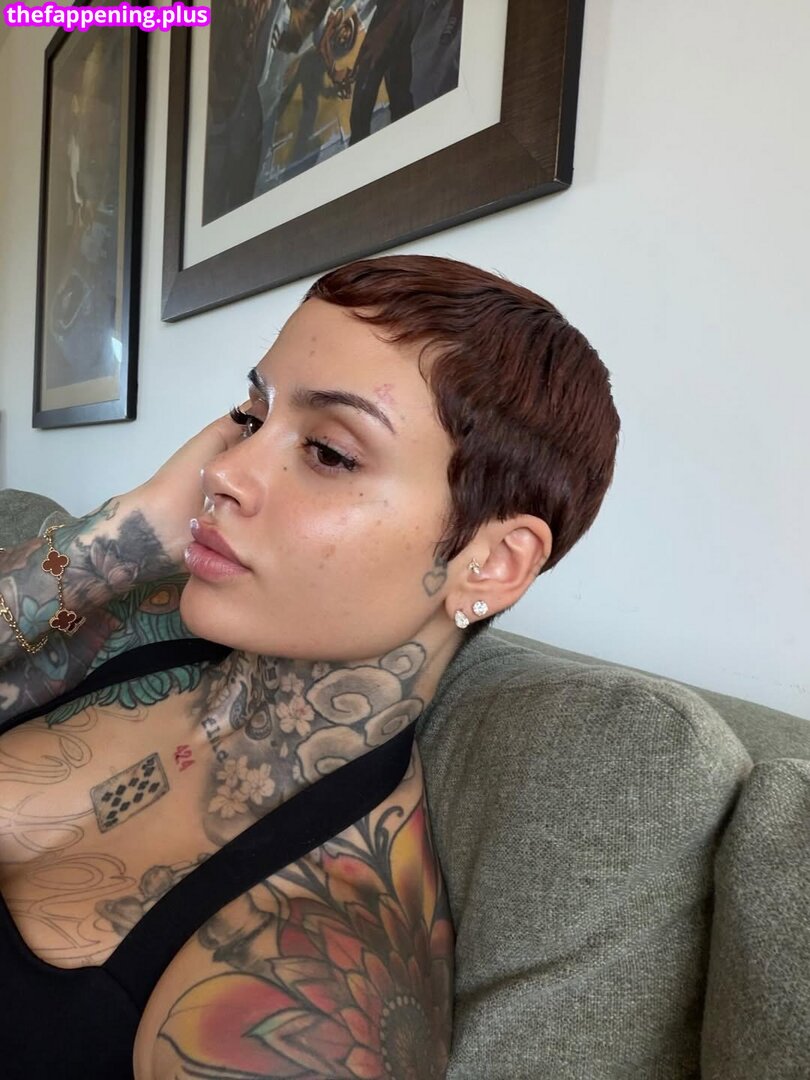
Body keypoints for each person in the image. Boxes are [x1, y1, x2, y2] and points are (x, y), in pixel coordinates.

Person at [0, 253, 620, 1079]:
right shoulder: (149, 619)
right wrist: (132, 525)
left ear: (492, 564)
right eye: (252, 416)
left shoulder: (310, 988)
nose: (222, 471)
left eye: (328, 451)